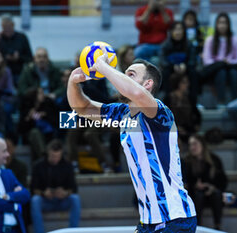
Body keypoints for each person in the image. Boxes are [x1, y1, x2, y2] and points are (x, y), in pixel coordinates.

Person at [67, 46, 196, 232]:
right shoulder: (123, 113)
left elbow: (135, 94)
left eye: (131, 74)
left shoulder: (159, 112)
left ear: (147, 85)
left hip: (175, 218)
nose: (124, 78)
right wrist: (73, 82)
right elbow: (83, 108)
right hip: (148, 221)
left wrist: (102, 65)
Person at [30, 139, 81, 233]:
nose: (55, 159)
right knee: (35, 200)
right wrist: (43, 193)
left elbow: (73, 189)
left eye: (58, 156)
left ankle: (73, 231)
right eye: (53, 156)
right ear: (48, 152)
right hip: (46, 201)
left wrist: (65, 193)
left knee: (75, 198)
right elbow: (33, 189)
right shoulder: (38, 166)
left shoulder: (67, 165)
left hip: (62, 201)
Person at [182, 135, 227, 230]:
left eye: (195, 144)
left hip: (212, 194)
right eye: (190, 145)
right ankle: (198, 225)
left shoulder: (214, 160)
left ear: (202, 145)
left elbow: (223, 180)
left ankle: (217, 225)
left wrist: (212, 187)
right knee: (198, 195)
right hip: (195, 194)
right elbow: (185, 181)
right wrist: (195, 185)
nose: (192, 147)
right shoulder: (186, 161)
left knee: (217, 194)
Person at [202, 12, 237, 104]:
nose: (222, 25)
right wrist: (221, 62)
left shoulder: (235, 40)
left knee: (234, 73)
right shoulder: (210, 40)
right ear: (216, 24)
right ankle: (221, 101)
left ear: (228, 25)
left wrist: (228, 62)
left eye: (225, 23)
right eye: (220, 23)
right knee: (221, 72)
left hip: (230, 68)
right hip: (215, 71)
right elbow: (207, 60)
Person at [0, 14, 33, 81]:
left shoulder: (22, 37)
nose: (6, 28)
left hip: (18, 73)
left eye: (8, 25)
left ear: (13, 24)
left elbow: (29, 58)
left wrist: (19, 57)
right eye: (4, 26)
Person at [159, 21, 197, 97]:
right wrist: (173, 66)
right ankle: (167, 100)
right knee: (165, 73)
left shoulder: (189, 44)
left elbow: (192, 60)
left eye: (180, 29)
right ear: (171, 32)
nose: (178, 32)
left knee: (193, 73)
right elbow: (162, 61)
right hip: (170, 68)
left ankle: (193, 101)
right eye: (175, 29)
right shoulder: (165, 45)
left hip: (186, 68)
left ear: (184, 31)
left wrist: (186, 65)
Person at [164, 74, 201, 144]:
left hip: (189, 130)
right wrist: (175, 129)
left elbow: (197, 114)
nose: (187, 84)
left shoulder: (189, 98)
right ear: (177, 83)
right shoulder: (168, 99)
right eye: (184, 82)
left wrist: (196, 126)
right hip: (173, 130)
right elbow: (165, 118)